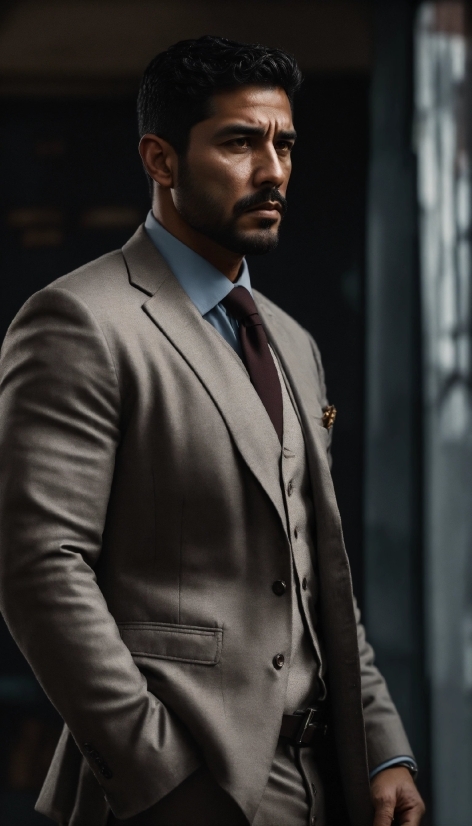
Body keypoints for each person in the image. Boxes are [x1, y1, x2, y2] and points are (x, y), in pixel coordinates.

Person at [0, 36, 425, 826]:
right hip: (177, 787)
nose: (273, 171)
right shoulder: (80, 321)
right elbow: (41, 573)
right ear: (161, 160)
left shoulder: (293, 342)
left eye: (284, 143)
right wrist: (167, 784)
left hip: (321, 783)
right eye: (239, 142)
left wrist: (381, 745)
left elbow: (314, 572)